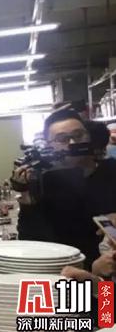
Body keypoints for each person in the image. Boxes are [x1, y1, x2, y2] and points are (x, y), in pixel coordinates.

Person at [12, 109, 116, 267]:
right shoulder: (45, 181)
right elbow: (31, 242)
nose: (73, 143)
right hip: (64, 271)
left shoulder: (112, 170)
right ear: (49, 145)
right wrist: (26, 199)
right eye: (62, 139)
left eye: (79, 135)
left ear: (89, 136)